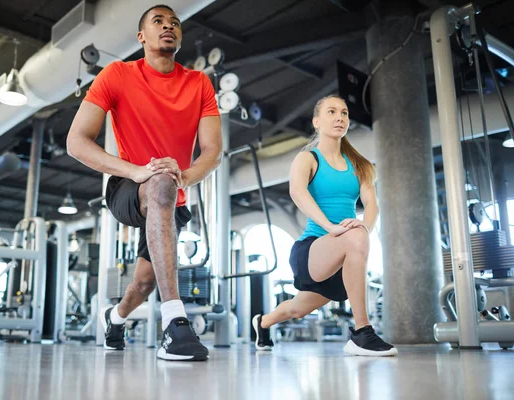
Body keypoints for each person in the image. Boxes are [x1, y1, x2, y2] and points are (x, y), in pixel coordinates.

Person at [66, 4, 222, 361]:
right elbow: (76, 142)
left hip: (173, 193)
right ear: (142, 37)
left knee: (144, 282)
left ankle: (115, 317)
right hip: (127, 187)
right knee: (160, 183)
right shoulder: (117, 74)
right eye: (158, 22)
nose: (169, 26)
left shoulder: (199, 83)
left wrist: (185, 175)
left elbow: (212, 152)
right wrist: (136, 170)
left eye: (175, 23)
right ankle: (175, 325)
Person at [251, 95, 397, 357]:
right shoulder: (307, 158)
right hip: (312, 250)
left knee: (297, 309)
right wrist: (331, 227)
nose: (339, 117)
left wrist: (364, 225)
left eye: (344, 113)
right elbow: (297, 192)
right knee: (354, 235)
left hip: (343, 259)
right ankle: (362, 332)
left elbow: (372, 205)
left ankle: (262, 322)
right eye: (331, 112)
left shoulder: (360, 165)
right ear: (317, 122)